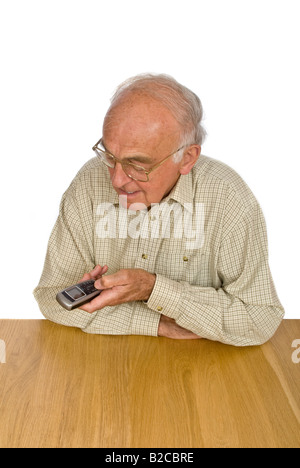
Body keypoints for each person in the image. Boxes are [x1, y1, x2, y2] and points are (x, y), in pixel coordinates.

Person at [34, 73, 284, 346]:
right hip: (107, 364)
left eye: (138, 165)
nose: (116, 180)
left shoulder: (229, 199)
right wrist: (155, 323)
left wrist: (154, 289)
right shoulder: (88, 183)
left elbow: (258, 320)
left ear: (187, 158)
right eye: (109, 155)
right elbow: (52, 298)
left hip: (204, 367)